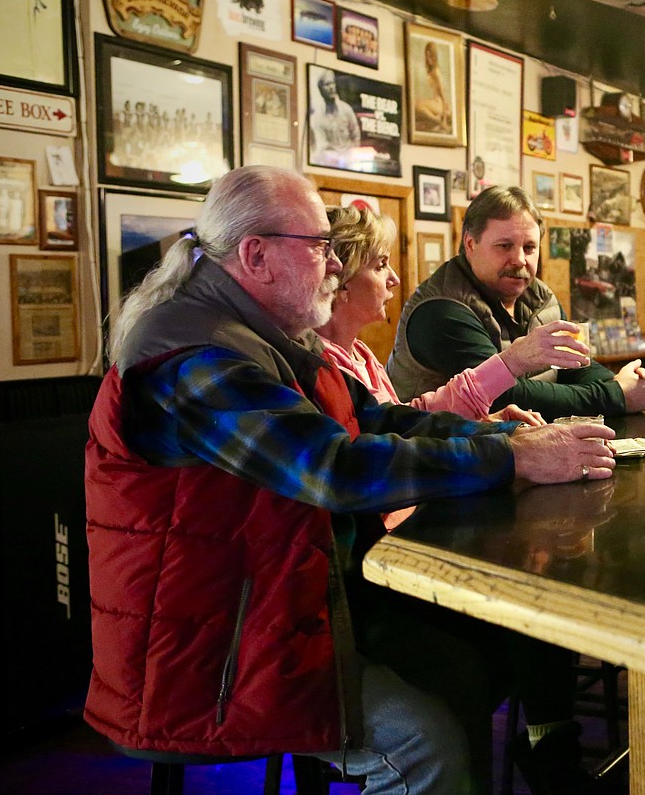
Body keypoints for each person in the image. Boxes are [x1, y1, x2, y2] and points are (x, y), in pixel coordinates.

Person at [83, 165, 617, 795]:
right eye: (321, 247)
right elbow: (332, 467)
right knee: (425, 742)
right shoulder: (195, 358)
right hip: (214, 650)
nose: (336, 266)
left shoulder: (265, 338)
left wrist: (514, 441)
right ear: (255, 255)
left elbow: (377, 419)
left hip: (287, 603)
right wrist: (516, 460)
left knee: (482, 659)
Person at [388, 185, 645, 420]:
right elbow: (502, 396)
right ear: (470, 244)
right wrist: (616, 395)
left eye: (529, 248)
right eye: (505, 246)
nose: (520, 259)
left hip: (512, 453)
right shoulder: (442, 311)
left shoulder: (540, 297)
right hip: (440, 468)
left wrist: (630, 382)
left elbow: (574, 367)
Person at [317, 204, 587, 421]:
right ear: (340, 281)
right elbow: (392, 438)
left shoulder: (361, 354)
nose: (394, 278)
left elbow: (406, 416)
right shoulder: (322, 363)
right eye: (380, 266)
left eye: (529, 247)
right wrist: (512, 361)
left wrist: (487, 421)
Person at [309, 67, 361, 167]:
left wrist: (349, 158)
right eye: (327, 84)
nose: (331, 87)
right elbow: (321, 147)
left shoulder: (347, 110)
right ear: (320, 89)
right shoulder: (317, 117)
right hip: (328, 164)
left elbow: (356, 138)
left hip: (348, 164)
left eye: (332, 83)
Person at [413, 41, 452, 134]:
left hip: (439, 103)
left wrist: (445, 116)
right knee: (415, 103)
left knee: (417, 105)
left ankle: (437, 120)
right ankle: (435, 120)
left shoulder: (436, 72)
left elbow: (442, 93)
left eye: (430, 56)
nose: (428, 58)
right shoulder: (430, 72)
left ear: (434, 57)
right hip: (434, 101)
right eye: (427, 56)